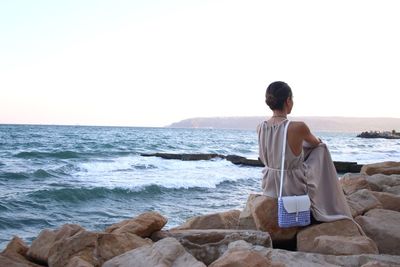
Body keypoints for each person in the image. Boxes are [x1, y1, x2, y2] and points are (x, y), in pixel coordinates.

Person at [257, 81, 353, 222]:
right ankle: (331, 197)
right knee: (321, 148)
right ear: (288, 100)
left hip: (269, 186)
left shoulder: (260, 127)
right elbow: (315, 143)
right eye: (292, 99)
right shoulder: (298, 127)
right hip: (292, 187)